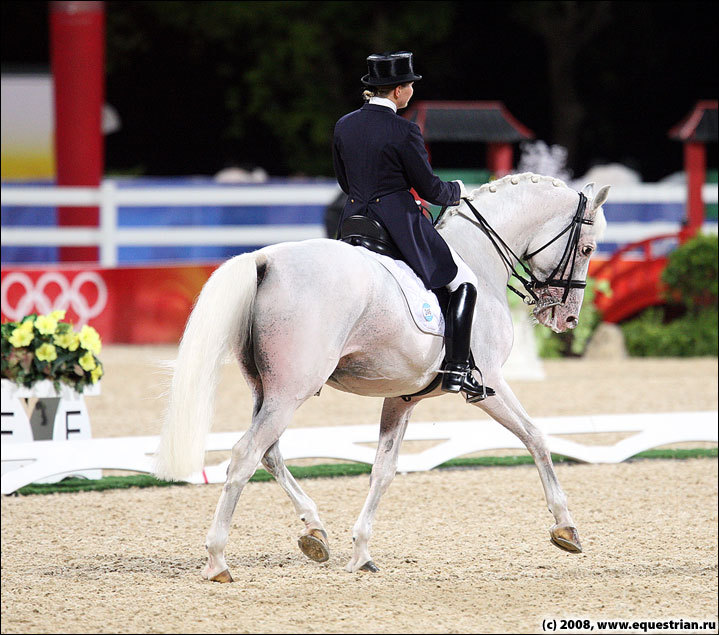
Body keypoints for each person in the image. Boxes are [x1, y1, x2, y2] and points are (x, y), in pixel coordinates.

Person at [332, 51, 491, 401]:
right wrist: (459, 190)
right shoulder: (405, 130)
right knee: (463, 280)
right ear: (399, 91)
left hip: (354, 221)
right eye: (410, 86)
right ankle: (457, 370)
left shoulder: (344, 125)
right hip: (396, 223)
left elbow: (345, 182)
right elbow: (433, 189)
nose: (411, 92)